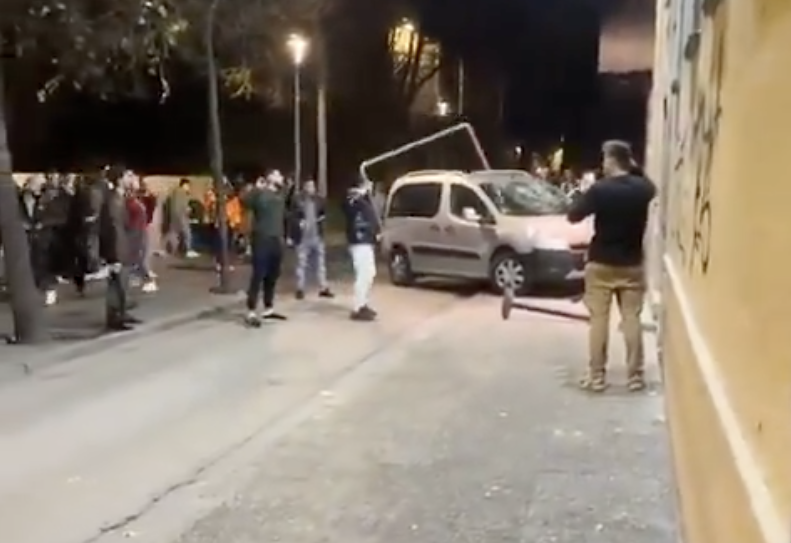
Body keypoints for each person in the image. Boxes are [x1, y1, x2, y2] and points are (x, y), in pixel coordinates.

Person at [567, 140, 656, 393]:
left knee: (599, 320)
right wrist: (634, 168)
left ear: (612, 159)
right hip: (632, 264)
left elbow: (573, 215)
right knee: (632, 319)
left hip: (601, 263)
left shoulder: (599, 190)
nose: (602, 163)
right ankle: (635, 377)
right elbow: (650, 186)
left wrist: (587, 193)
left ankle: (597, 377)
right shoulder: (643, 189)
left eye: (605, 158)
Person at [241, 170, 288, 326]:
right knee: (259, 274)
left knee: (273, 275)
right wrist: (256, 188)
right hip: (262, 238)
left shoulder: (280, 195)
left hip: (277, 239)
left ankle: (268, 308)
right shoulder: (260, 194)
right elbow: (244, 201)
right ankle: (251, 310)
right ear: (269, 178)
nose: (281, 177)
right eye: (277, 174)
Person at [100, 168, 141, 331]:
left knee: (121, 283)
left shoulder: (119, 198)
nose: (131, 179)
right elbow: (114, 228)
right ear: (119, 179)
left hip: (123, 246)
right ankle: (115, 317)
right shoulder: (114, 200)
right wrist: (115, 256)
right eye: (128, 176)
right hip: (118, 248)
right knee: (117, 284)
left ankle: (121, 314)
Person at [341, 178, 379, 321]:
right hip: (358, 241)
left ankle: (363, 303)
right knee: (363, 274)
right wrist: (360, 192)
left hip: (366, 240)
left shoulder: (364, 200)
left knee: (370, 273)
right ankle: (358, 307)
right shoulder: (353, 200)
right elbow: (349, 206)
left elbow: (371, 217)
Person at [289, 178, 333, 300]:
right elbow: (292, 217)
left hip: (317, 236)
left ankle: (323, 287)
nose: (311, 189)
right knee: (301, 264)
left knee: (320, 264)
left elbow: (324, 213)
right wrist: (297, 225)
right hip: (303, 237)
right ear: (304, 187)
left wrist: (321, 220)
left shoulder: (319, 200)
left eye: (312, 186)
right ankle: (300, 288)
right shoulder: (298, 200)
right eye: (308, 186)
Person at [164, 178, 198, 258]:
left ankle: (170, 250)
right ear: (185, 185)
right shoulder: (181, 193)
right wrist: (188, 210)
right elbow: (182, 206)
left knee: (174, 233)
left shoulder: (174, 193)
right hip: (181, 216)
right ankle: (187, 250)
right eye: (189, 186)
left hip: (174, 215)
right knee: (187, 233)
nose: (189, 188)